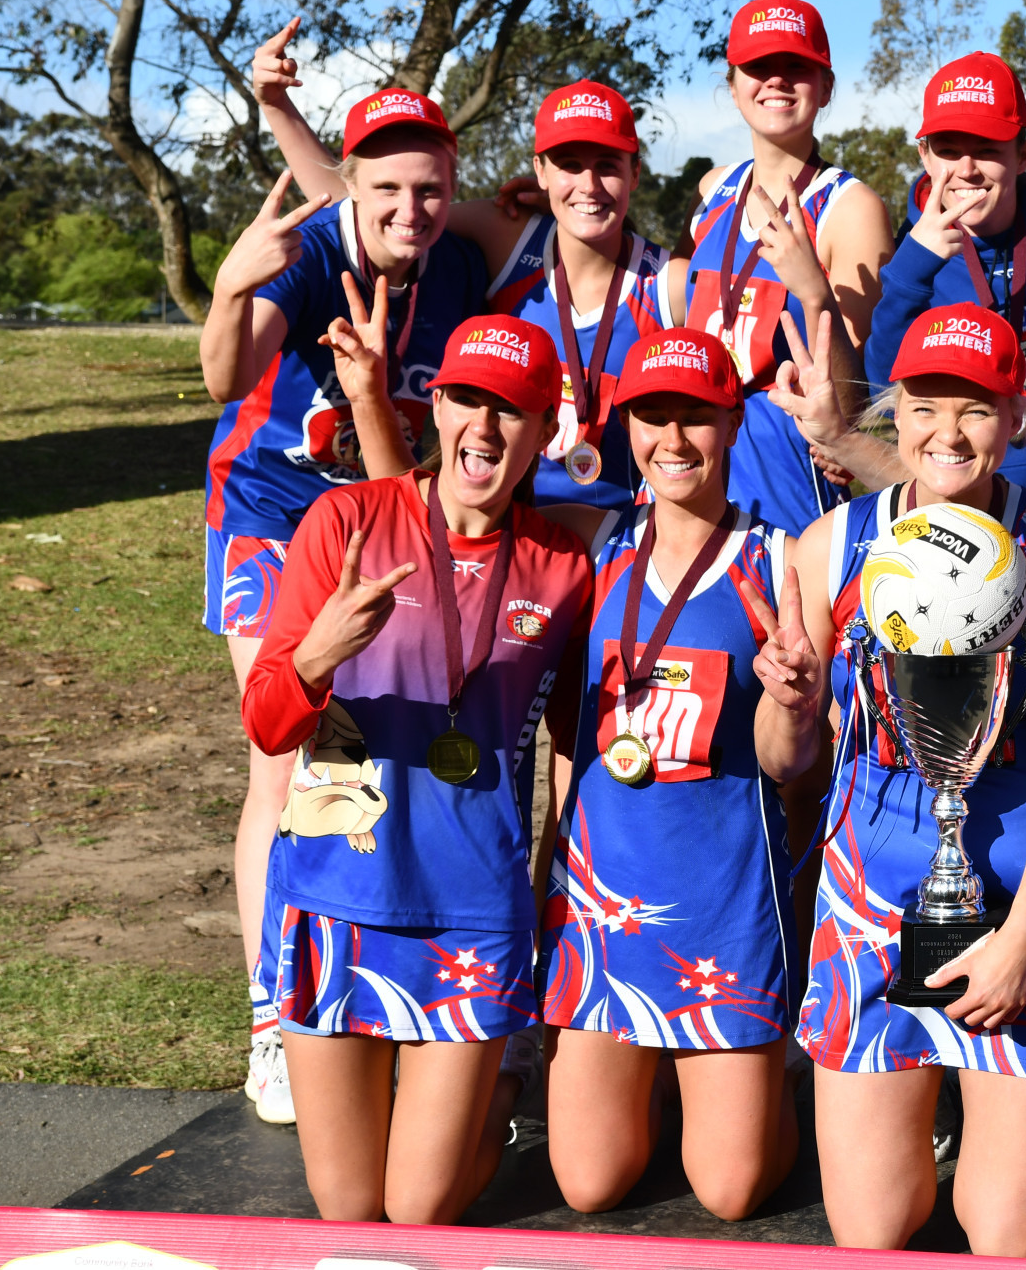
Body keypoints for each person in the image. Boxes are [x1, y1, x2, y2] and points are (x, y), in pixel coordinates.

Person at [775, 302, 1026, 1254]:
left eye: (976, 407)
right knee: (874, 1228)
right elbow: (786, 760)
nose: (947, 431)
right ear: (895, 412)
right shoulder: (830, 545)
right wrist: (789, 700)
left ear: (1017, 417)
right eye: (926, 405)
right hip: (867, 874)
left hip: (1022, 871)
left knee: (1008, 1235)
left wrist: (1018, 939)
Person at [239, 316, 591, 1223]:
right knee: (349, 1208)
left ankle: (497, 1101)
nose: (485, 424)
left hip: (473, 910)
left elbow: (580, 753)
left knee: (421, 1210)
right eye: (467, 398)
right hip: (333, 898)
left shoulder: (562, 567)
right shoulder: (347, 522)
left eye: (512, 408)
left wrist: (558, 894)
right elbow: (270, 723)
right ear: (435, 406)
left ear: (544, 425)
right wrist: (317, 654)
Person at [202, 84, 490, 1125]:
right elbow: (224, 375)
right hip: (270, 516)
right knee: (283, 754)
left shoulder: (456, 261)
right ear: (351, 190)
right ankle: (271, 1021)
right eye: (386, 188)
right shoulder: (315, 251)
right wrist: (231, 294)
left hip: (379, 515)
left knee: (370, 757)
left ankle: (366, 989)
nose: (408, 208)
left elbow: (485, 210)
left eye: (430, 189)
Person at [539, 325, 822, 1216]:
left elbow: (790, 765)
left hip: (725, 905)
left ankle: (771, 1080)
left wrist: (791, 700)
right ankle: (655, 1081)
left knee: (733, 1189)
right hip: (602, 899)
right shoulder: (589, 544)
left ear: (733, 422)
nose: (672, 439)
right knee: (589, 1183)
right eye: (652, 416)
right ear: (624, 426)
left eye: (694, 417)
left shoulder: (780, 560)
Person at [253, 25, 684, 531]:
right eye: (568, 165)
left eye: (608, 166)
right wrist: (277, 107)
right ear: (540, 170)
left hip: (618, 540)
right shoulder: (508, 236)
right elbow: (375, 211)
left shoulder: (670, 283)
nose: (588, 185)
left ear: (635, 173)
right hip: (499, 533)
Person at [849, 52, 1026, 509]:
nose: (967, 168)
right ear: (924, 155)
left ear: (1023, 154)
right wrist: (912, 271)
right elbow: (882, 388)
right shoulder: (909, 255)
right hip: (961, 513)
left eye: (988, 148)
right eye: (949, 148)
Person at [682, 0, 895, 525]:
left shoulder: (850, 209)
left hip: (790, 493)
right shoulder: (712, 191)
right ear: (732, 87)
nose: (776, 81)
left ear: (825, 88)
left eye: (796, 67)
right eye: (758, 67)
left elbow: (855, 408)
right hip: (690, 472)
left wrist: (814, 295)